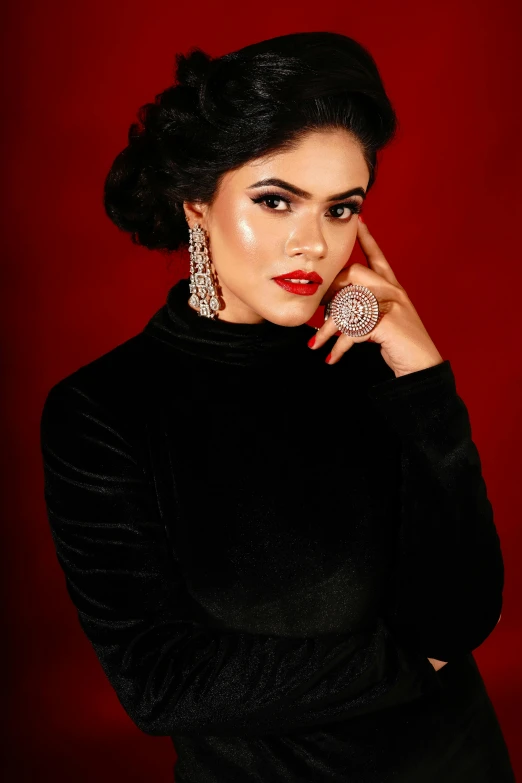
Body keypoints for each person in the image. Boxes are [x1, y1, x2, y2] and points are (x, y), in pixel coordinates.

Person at [39, 31, 515, 782]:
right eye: (275, 200)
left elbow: (467, 611)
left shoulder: (374, 364)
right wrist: (411, 658)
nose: (313, 243)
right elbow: (163, 684)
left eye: (340, 209)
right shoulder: (103, 412)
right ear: (197, 199)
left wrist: (424, 375)